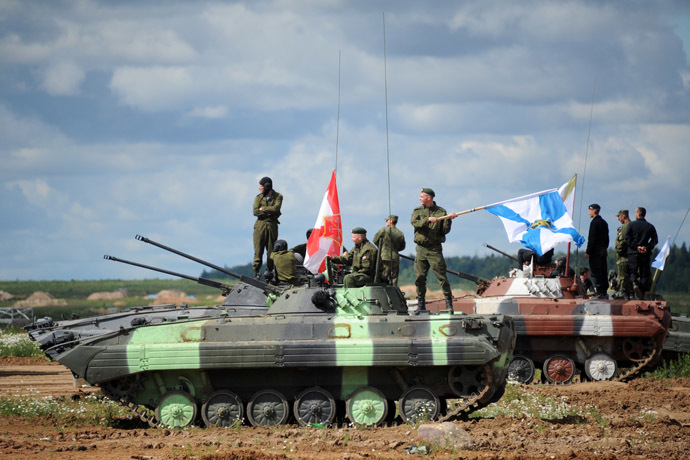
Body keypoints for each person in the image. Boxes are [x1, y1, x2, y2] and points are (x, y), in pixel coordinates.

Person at [410, 188, 457, 311]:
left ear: (429, 197)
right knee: (420, 277)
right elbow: (415, 223)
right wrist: (427, 220)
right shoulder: (417, 211)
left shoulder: (441, 212)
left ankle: (449, 304)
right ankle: (421, 305)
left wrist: (448, 220)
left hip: (435, 249)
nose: (419, 198)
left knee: (441, 277)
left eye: (422, 196)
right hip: (421, 249)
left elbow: (444, 231)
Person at [625, 207, 658, 299]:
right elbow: (655, 240)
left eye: (635, 212)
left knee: (632, 271)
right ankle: (641, 292)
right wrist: (647, 247)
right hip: (645, 254)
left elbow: (627, 238)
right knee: (644, 274)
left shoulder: (631, 225)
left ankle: (634, 284)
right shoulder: (650, 226)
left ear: (638, 214)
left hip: (633, 253)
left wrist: (636, 247)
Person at [252, 177, 283, 277]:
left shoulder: (278, 196)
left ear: (266, 187)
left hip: (272, 226)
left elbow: (276, 209)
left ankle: (270, 271)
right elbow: (255, 211)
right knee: (258, 250)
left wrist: (263, 209)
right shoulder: (258, 197)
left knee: (271, 251)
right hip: (260, 226)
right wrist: (268, 212)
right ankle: (256, 271)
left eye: (261, 186)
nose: (259, 188)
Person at [584, 203, 609, 299]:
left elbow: (592, 238)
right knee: (603, 271)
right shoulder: (604, 222)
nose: (589, 212)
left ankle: (599, 292)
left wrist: (588, 251)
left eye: (589, 210)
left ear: (594, 211)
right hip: (603, 251)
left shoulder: (594, 223)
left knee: (595, 272)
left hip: (595, 252)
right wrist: (605, 248)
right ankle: (603, 292)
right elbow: (607, 239)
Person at [373, 215, 406, 286]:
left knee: (383, 276)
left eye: (387, 220)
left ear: (391, 221)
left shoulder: (384, 230)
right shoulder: (400, 233)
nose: (386, 222)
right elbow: (402, 247)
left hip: (384, 257)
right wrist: (395, 249)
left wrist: (382, 248)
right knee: (394, 278)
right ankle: (394, 292)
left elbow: (375, 240)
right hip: (395, 257)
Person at [614, 209, 632, 299]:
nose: (618, 219)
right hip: (630, 256)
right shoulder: (631, 225)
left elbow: (623, 241)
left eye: (619, 217)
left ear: (623, 216)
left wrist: (618, 250)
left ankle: (624, 295)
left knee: (623, 278)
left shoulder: (625, 227)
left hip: (624, 257)